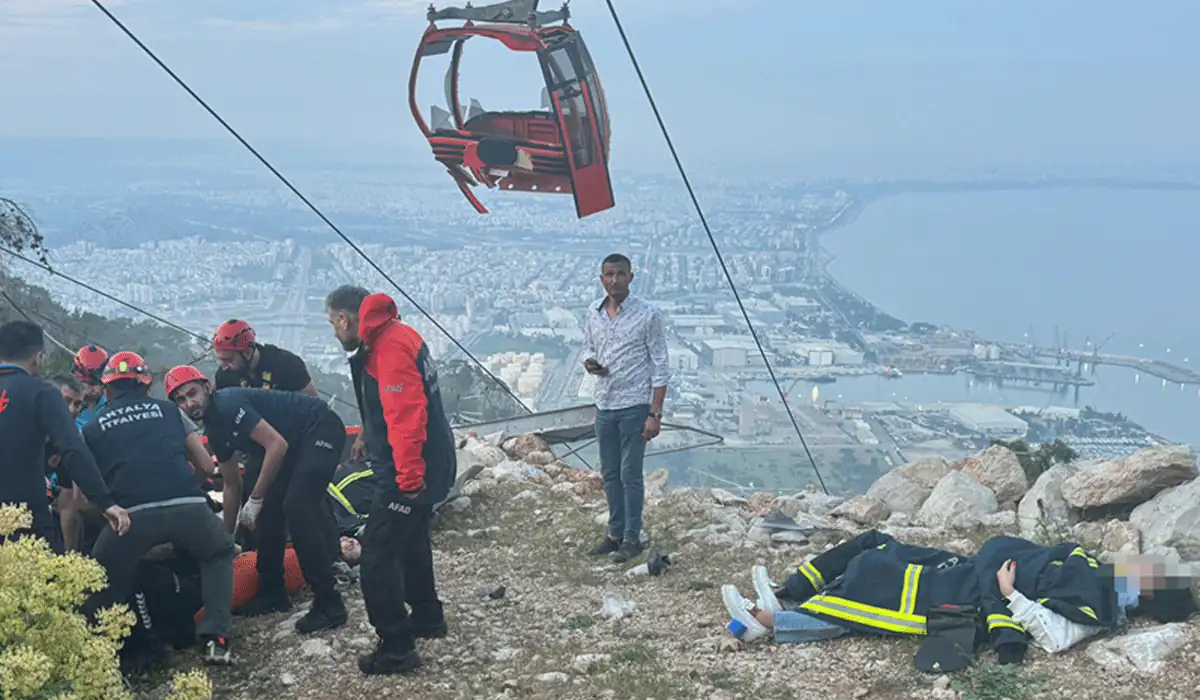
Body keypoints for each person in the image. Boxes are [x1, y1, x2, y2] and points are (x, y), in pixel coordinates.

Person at [720, 530, 1196, 663]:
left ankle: (769, 622)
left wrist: (1010, 594)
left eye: (1152, 573)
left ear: (1148, 592)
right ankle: (788, 593)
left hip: (974, 595)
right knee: (875, 544)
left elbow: (1054, 636)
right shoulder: (1095, 569)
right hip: (972, 569)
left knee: (877, 587)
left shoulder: (1100, 608)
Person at [325, 285, 457, 676]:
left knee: (378, 555)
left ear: (347, 320)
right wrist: (369, 432)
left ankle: (396, 646)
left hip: (410, 467)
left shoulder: (389, 348)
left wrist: (408, 479)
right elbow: (387, 403)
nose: (333, 332)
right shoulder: (392, 334)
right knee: (412, 538)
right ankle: (428, 616)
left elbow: (407, 417)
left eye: (333, 323)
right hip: (422, 461)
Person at [80, 351, 237, 665]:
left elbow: (86, 499)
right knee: (218, 553)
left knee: (96, 578)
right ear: (145, 385)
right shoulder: (168, 410)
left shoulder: (93, 427)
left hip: (131, 516)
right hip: (188, 506)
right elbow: (206, 465)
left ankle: (97, 654)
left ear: (107, 389)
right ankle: (217, 639)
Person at [166, 364, 348, 634]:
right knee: (270, 514)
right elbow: (230, 483)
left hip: (320, 427)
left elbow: (276, 445)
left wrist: (256, 497)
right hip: (295, 441)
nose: (189, 404)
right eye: (180, 400)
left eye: (193, 393)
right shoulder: (214, 428)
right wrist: (225, 541)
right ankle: (272, 591)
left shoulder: (227, 404)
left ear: (207, 388)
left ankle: (329, 602)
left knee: (297, 508)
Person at [0, 320, 128, 549]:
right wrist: (105, 502)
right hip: (25, 514)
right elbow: (72, 448)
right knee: (46, 579)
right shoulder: (41, 393)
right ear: (38, 358)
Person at [582, 253, 670, 564]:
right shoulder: (594, 313)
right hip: (604, 402)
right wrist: (591, 363)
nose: (615, 279)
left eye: (621, 274)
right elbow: (590, 347)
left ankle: (633, 536)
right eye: (609, 274)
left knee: (630, 472)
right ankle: (614, 533)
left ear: (631, 277)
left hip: (635, 404)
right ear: (601, 278)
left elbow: (660, 365)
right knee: (609, 473)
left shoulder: (648, 315)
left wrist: (654, 414)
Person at [45, 374, 86, 550]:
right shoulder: (24, 428)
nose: (71, 409)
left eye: (77, 404)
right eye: (66, 401)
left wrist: (69, 558)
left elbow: (69, 500)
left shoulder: (72, 440)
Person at [72, 344, 109, 430]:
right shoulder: (67, 408)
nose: (98, 389)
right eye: (92, 384)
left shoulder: (110, 405)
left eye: (101, 384)